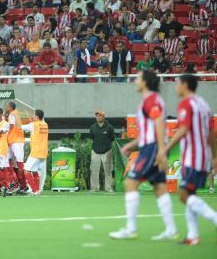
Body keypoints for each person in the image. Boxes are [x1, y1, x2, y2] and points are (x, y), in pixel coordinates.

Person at [109, 70, 177, 241]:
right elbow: (149, 130)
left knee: (131, 183)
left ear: (145, 82)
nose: (135, 81)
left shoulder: (152, 100)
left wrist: (161, 150)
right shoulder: (148, 101)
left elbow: (160, 124)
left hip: (152, 149)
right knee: (160, 188)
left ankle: (131, 229)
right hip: (151, 146)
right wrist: (131, 145)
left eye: (138, 78)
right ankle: (171, 230)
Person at [158, 74, 217, 245]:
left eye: (178, 83)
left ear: (185, 85)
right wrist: (214, 156)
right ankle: (193, 236)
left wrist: (165, 149)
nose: (176, 86)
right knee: (190, 194)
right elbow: (212, 133)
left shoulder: (186, 104)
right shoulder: (204, 105)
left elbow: (183, 129)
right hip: (202, 156)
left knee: (184, 195)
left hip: (193, 157)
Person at [21, 109, 48, 195]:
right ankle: (37, 191)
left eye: (33, 115)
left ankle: (33, 190)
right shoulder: (45, 124)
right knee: (34, 170)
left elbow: (19, 127)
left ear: (36, 116)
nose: (32, 116)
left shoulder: (33, 125)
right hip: (43, 152)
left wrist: (15, 118)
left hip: (36, 152)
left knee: (26, 170)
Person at [89, 110, 115, 193]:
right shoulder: (92, 127)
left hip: (107, 152)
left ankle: (108, 188)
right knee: (94, 171)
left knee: (108, 170)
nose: (98, 117)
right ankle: (94, 188)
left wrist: (107, 148)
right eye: (96, 116)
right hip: (95, 151)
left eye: (99, 116)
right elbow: (92, 138)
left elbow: (112, 138)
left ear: (103, 117)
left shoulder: (109, 127)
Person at [6, 102, 27, 193]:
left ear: (10, 107)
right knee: (11, 161)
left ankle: (22, 185)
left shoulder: (12, 114)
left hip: (16, 141)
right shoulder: (16, 113)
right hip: (13, 140)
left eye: (7, 106)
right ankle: (18, 184)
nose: (6, 107)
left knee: (19, 163)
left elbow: (10, 126)